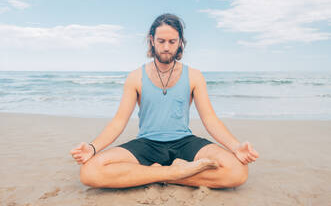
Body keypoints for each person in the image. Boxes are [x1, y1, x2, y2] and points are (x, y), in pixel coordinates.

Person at [70, 13, 259, 189]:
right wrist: (93, 148)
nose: (166, 47)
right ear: (151, 41)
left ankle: (154, 174)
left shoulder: (194, 76)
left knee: (238, 171)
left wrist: (236, 147)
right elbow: (119, 121)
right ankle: (174, 172)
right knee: (89, 172)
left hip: (185, 142)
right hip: (147, 144)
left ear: (180, 43)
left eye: (172, 41)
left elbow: (210, 119)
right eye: (161, 41)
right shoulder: (136, 77)